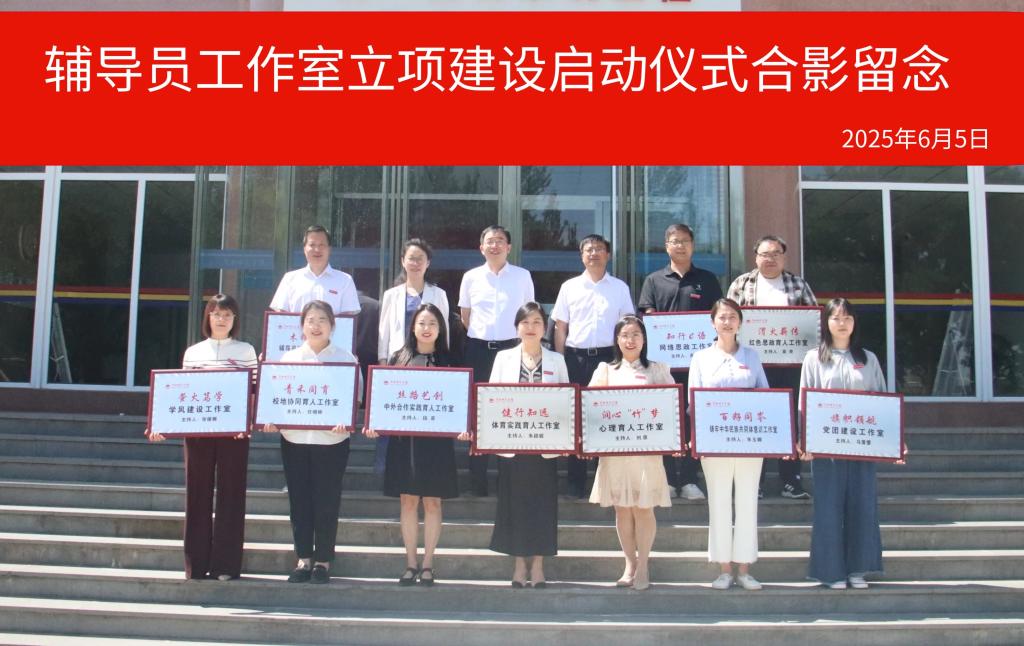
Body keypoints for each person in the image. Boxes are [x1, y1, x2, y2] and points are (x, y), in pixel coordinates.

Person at [147, 293, 257, 581]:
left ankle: (226, 565)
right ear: (208, 317)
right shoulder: (193, 353)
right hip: (198, 434)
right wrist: (162, 425)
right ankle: (196, 565)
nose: (221, 319)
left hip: (234, 434)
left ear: (235, 319)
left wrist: (248, 422)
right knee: (197, 492)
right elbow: (181, 393)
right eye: (216, 314)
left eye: (227, 315)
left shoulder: (246, 351)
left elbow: (253, 394)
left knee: (232, 493)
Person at [363, 303, 466, 587]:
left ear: (440, 329)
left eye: (432, 323)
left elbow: (460, 401)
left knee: (432, 502)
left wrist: (463, 427)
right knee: (407, 501)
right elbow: (384, 398)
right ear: (412, 327)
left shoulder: (450, 360)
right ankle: (410, 563)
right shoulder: (399, 357)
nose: (426, 328)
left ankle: (428, 564)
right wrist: (374, 423)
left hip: (436, 444)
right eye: (421, 323)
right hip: (404, 442)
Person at [262, 300, 356, 584]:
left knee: (328, 500)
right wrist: (271, 419)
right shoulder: (288, 359)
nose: (316, 326)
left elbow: (356, 399)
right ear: (301, 326)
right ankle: (303, 558)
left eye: (322, 320)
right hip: (295, 439)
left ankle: (323, 561)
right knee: (299, 499)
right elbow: (276, 399)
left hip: (332, 441)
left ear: (333, 326)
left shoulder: (346, 359)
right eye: (311, 320)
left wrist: (346, 418)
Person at [799, 298, 886, 590]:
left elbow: (883, 401)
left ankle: (857, 570)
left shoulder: (868, 358)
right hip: (827, 447)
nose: (842, 323)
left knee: (862, 505)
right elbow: (805, 401)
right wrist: (804, 439)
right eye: (836, 318)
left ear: (854, 322)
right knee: (828, 508)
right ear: (826, 322)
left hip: (862, 445)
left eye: (847, 318)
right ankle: (831, 572)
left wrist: (894, 440)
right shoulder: (814, 358)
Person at [726, 234, 816, 500]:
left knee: (790, 418)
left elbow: (813, 324)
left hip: (791, 365)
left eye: (776, 253)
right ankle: (755, 481)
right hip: (752, 364)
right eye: (765, 254)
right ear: (756, 257)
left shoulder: (798, 284)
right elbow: (727, 321)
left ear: (784, 257)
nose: (770, 259)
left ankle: (791, 480)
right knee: (756, 419)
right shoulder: (741, 284)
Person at [587, 315, 673, 591]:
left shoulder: (657, 370)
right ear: (617, 340)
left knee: (644, 508)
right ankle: (629, 564)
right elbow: (591, 410)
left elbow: (670, 409)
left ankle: (644, 564)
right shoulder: (606, 370)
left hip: (646, 452)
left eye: (635, 334)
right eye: (624, 335)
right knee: (622, 509)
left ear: (644, 339)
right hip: (616, 453)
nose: (630, 340)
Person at [637, 223, 723, 501]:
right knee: (664, 418)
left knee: (693, 417)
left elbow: (719, 318)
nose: (680, 246)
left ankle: (689, 478)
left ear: (693, 245)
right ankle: (668, 479)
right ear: (666, 246)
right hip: (662, 366)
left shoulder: (707, 279)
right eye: (675, 241)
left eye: (685, 241)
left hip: (699, 365)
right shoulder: (654, 280)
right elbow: (646, 315)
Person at [688, 298, 769, 591]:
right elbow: (693, 402)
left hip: (749, 442)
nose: (727, 322)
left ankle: (745, 569)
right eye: (722, 317)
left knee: (747, 502)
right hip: (714, 441)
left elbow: (766, 395)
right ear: (712, 323)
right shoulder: (701, 358)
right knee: (719, 502)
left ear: (740, 322)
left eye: (732, 316)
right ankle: (724, 568)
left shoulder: (752, 356)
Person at [488, 302, 569, 588]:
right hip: (513, 446)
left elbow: (566, 402)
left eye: (536, 322)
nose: (531, 327)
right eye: (525, 322)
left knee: (542, 505)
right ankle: (519, 564)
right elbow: (491, 399)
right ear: (517, 327)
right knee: (515, 504)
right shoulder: (503, 359)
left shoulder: (557, 361)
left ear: (545, 327)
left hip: (545, 448)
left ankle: (538, 565)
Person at [552, 234, 635, 499]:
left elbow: (627, 327)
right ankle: (575, 482)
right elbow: (560, 327)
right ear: (581, 255)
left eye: (599, 249)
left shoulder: (619, 288)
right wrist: (560, 360)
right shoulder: (569, 287)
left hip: (609, 358)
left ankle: (605, 482)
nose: (594, 253)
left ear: (608, 255)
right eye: (589, 249)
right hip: (575, 359)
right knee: (576, 418)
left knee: (606, 416)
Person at [459, 225, 535, 497]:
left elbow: (529, 315)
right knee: (478, 413)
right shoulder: (470, 277)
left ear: (509, 247)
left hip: (512, 349)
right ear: (481, 247)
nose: (495, 245)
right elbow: (465, 316)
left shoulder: (522, 276)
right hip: (478, 350)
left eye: (500, 240)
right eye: (489, 241)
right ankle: (477, 481)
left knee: (511, 410)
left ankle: (510, 482)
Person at [270, 224, 361, 316]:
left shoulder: (345, 280)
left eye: (321, 245)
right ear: (304, 249)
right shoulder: (289, 279)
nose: (317, 250)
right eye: (312, 245)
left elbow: (348, 319)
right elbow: (281, 316)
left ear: (329, 249)